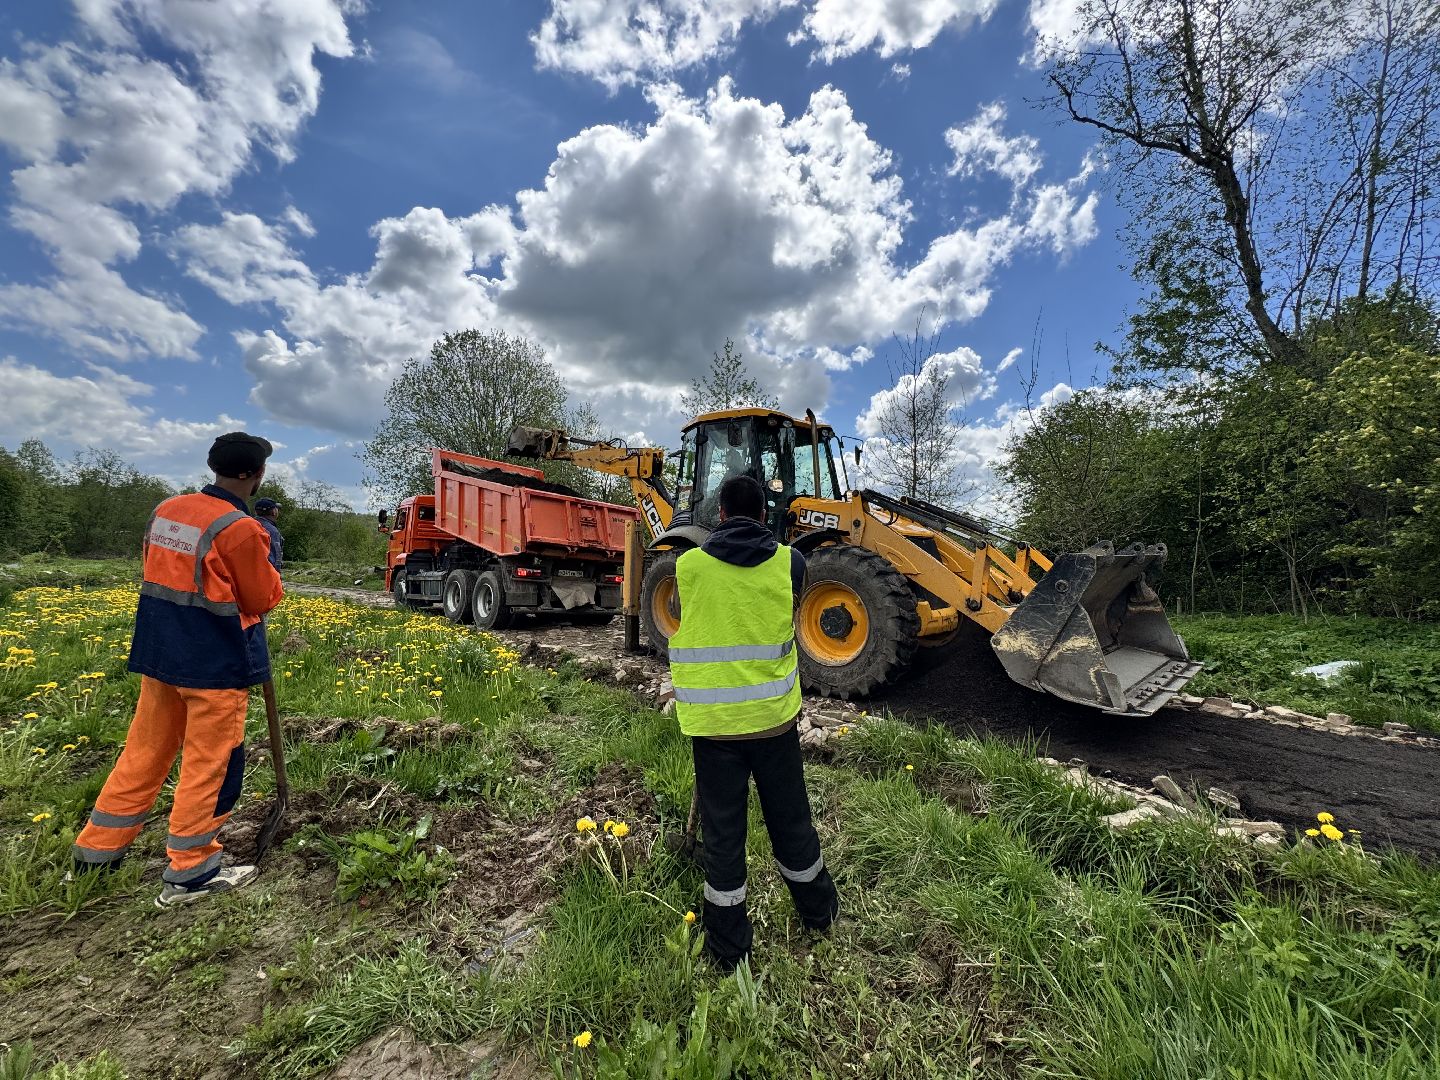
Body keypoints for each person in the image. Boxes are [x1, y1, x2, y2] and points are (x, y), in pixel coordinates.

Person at [72, 432, 285, 906]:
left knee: (144, 749)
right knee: (211, 763)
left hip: (162, 654)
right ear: (256, 475)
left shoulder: (165, 511)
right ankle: (191, 871)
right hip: (214, 662)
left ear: (214, 466)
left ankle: (96, 851)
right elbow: (262, 597)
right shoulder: (240, 528)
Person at [666, 474, 839, 969]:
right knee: (792, 824)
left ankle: (728, 949)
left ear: (719, 514)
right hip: (774, 724)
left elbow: (685, 618)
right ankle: (820, 914)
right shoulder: (793, 563)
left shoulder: (687, 567)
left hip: (714, 730)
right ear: (765, 514)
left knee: (724, 838)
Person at [253, 497, 283, 572]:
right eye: (276, 509)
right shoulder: (272, 531)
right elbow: (276, 559)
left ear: (256, 512)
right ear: (274, 512)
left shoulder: (246, 525)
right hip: (265, 577)